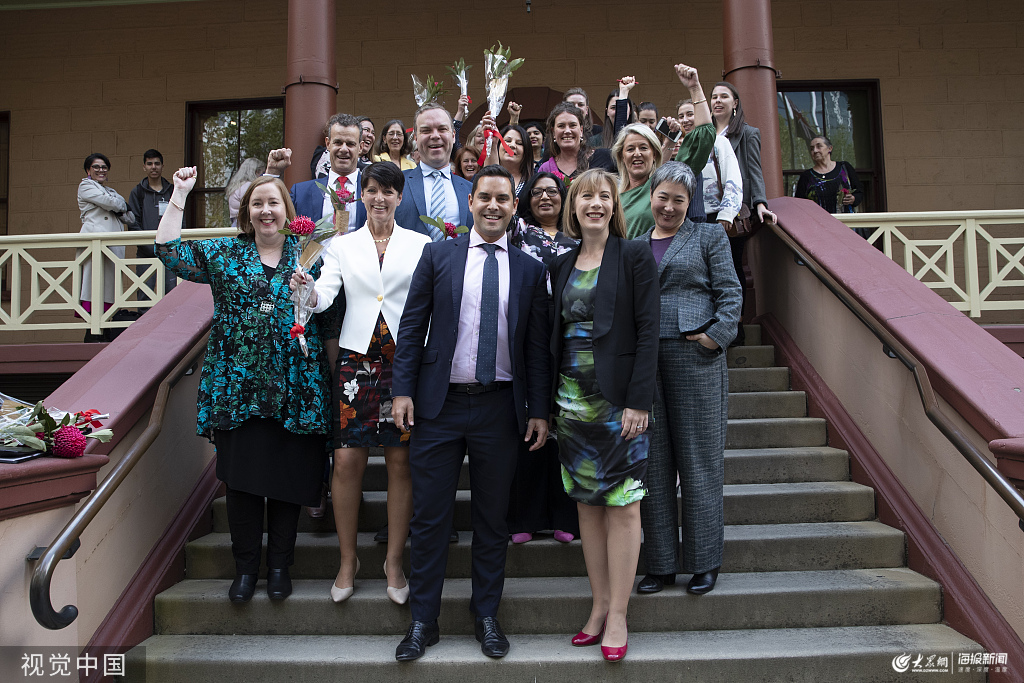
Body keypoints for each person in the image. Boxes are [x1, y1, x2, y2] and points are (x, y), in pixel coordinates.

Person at [391, 165, 550, 661]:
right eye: (485, 197)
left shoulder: (530, 270)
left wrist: (539, 409)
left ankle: (486, 616)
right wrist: (402, 391)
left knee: (491, 519)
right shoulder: (437, 255)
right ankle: (423, 621)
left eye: (503, 198)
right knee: (429, 518)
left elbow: (536, 349)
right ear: (471, 201)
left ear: (514, 206)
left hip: (500, 408)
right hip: (438, 407)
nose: (493, 206)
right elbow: (411, 327)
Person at [155, 169, 331, 603]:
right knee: (242, 481)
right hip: (237, 388)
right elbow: (168, 252)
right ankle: (246, 568)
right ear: (246, 213)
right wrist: (179, 194)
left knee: (288, 479)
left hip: (296, 386)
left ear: (287, 211)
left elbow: (327, 314)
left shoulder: (311, 257)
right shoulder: (224, 253)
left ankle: (279, 567)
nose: (266, 211)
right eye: (257, 204)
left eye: (274, 203)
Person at [290, 162, 430, 606]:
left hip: (404, 364)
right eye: (371, 190)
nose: (379, 198)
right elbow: (324, 295)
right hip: (356, 360)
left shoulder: (422, 244)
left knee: (400, 463)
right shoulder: (341, 246)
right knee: (347, 462)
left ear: (400, 197)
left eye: (388, 190)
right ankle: (347, 560)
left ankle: (393, 562)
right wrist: (306, 290)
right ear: (361, 195)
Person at [549, 169, 659, 662]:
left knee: (624, 505)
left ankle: (619, 613)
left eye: (604, 196)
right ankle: (597, 606)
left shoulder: (633, 255)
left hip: (620, 405)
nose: (595, 203)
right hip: (572, 406)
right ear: (573, 206)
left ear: (615, 205)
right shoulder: (561, 263)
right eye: (586, 196)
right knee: (587, 506)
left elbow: (649, 331)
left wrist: (639, 401)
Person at [635, 162, 741, 599]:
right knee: (653, 464)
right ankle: (660, 565)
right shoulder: (635, 245)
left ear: (689, 202)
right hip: (645, 362)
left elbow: (731, 292)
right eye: (663, 197)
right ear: (651, 196)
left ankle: (703, 562)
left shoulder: (709, 236)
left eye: (679, 199)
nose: (669, 206)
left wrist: (716, 337)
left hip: (695, 356)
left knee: (698, 461)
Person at [506, 171, 579, 545]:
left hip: (569, 339)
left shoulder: (579, 241)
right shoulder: (518, 233)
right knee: (529, 425)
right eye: (538, 192)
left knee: (564, 428)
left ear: (564, 198)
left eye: (553, 191)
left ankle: (565, 516)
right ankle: (526, 517)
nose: (546, 197)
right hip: (527, 337)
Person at [613, 64, 717, 239]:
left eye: (643, 148)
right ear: (621, 156)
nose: (637, 153)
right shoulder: (611, 192)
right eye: (630, 149)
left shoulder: (664, 183)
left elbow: (704, 137)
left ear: (654, 153)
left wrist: (694, 88)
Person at [711, 81, 777, 346]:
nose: (717, 101)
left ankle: (736, 324)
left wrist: (760, 202)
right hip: (705, 211)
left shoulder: (748, 133)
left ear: (735, 103)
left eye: (723, 96)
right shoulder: (704, 132)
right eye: (714, 97)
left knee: (732, 266)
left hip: (735, 212)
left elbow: (754, 170)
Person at [266, 113, 367, 233]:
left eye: (350, 144)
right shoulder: (301, 193)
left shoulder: (374, 192)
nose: (344, 149)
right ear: (328, 144)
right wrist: (272, 172)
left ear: (360, 147)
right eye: (338, 142)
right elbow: (268, 213)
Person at [394, 103, 475, 241]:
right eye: (426, 130)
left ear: (453, 136)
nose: (435, 136)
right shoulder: (397, 184)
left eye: (442, 129)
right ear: (416, 138)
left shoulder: (471, 190)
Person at [78, 153, 134, 342]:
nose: (101, 170)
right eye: (96, 167)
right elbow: (112, 203)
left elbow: (130, 217)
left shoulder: (110, 190)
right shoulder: (85, 186)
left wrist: (118, 206)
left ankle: (103, 332)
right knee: (94, 288)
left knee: (109, 291)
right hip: (96, 245)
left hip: (112, 246)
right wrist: (120, 205)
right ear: (88, 170)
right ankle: (92, 335)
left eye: (104, 167)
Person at [678, 99, 744, 231]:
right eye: (681, 116)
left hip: (715, 217)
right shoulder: (679, 148)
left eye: (690, 114)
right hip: (684, 220)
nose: (685, 120)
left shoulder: (718, 142)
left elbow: (733, 178)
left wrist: (726, 213)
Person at [127, 148, 177, 296]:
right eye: (149, 164)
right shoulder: (138, 192)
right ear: (144, 167)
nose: (153, 167)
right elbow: (133, 222)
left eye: (157, 163)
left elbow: (180, 219)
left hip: (170, 251)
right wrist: (149, 246)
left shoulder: (173, 191)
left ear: (162, 166)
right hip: (146, 253)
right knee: (145, 294)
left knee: (172, 293)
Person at [537, 103, 615, 183]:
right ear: (553, 132)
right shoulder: (545, 169)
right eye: (561, 126)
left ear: (581, 130)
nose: (567, 131)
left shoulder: (605, 157)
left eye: (572, 125)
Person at [794, 135, 864, 216]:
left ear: (830, 148)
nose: (815, 150)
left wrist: (853, 198)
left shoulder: (844, 168)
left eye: (819, 146)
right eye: (812, 148)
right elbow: (799, 204)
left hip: (844, 221)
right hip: (817, 222)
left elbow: (859, 192)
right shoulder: (806, 176)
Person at [483, 123, 533, 196]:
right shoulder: (479, 179)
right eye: (507, 141)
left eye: (519, 143)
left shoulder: (534, 183)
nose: (512, 145)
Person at [590, 77, 638, 149]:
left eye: (621, 108)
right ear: (607, 112)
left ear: (630, 111)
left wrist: (624, 91)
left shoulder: (640, 138)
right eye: (613, 108)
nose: (618, 112)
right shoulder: (594, 141)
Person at [225, 158, 266, 227]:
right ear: (256, 172)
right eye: (262, 173)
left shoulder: (237, 186)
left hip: (236, 223)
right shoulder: (248, 186)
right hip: (245, 224)